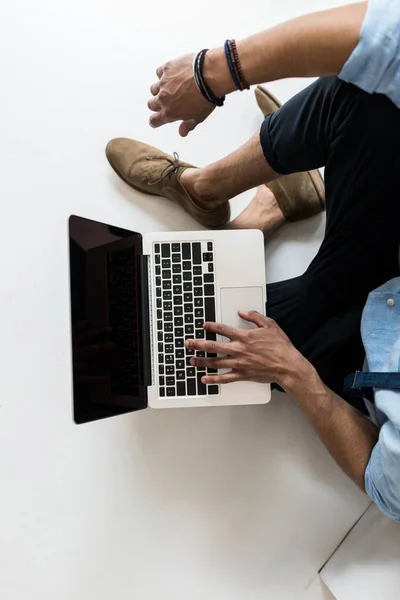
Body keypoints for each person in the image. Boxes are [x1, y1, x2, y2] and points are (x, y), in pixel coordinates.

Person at [106, 0, 400, 523]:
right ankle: (206, 188)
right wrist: (213, 72)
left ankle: (264, 214)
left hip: (361, 352)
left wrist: (295, 373)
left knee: (142, 345)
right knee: (365, 95)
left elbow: (386, 485)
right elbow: (386, 38)